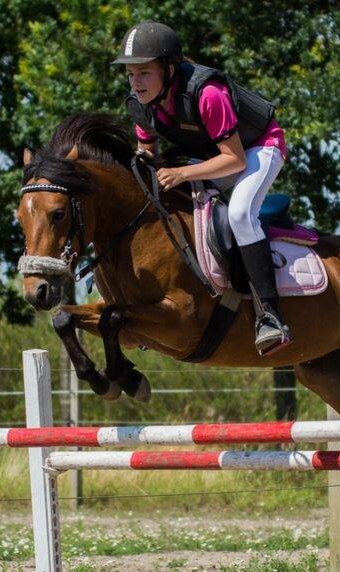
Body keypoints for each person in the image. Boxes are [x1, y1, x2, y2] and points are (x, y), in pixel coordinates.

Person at [112, 21, 292, 356]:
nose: (136, 83)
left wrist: (181, 173)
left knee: (240, 213)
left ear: (168, 68)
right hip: (211, 155)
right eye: (130, 75)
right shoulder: (140, 105)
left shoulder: (207, 93)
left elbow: (235, 160)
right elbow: (146, 152)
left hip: (259, 149)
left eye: (144, 73)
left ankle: (271, 315)